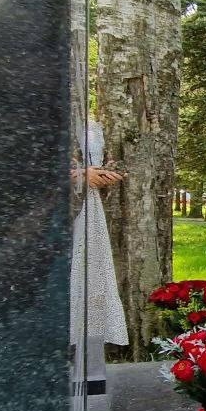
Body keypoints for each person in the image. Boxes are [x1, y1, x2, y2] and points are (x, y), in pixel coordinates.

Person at [70, 119, 129, 349]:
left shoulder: (103, 124)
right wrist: (78, 175)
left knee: (95, 269)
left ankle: (92, 335)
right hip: (62, 213)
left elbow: (125, 162)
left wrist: (106, 174)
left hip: (97, 211)